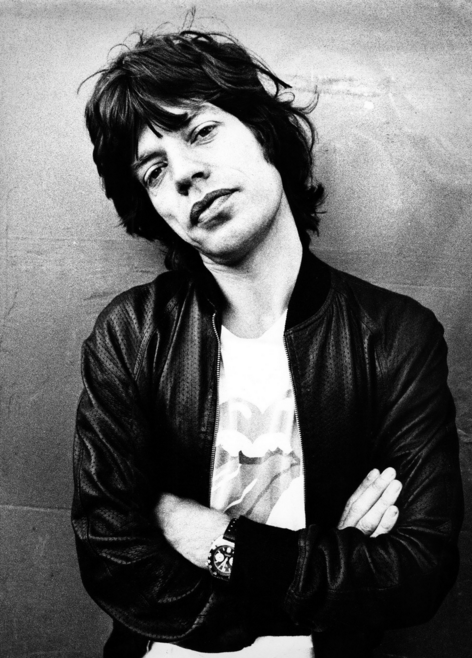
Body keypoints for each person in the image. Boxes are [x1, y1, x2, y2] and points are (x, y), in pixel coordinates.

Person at [71, 28, 463, 658]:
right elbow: (112, 559)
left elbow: (417, 572)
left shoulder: (394, 336)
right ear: (153, 206)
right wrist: (334, 568)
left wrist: (212, 537)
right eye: (154, 170)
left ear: (263, 134)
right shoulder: (131, 334)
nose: (186, 173)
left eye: (202, 132)